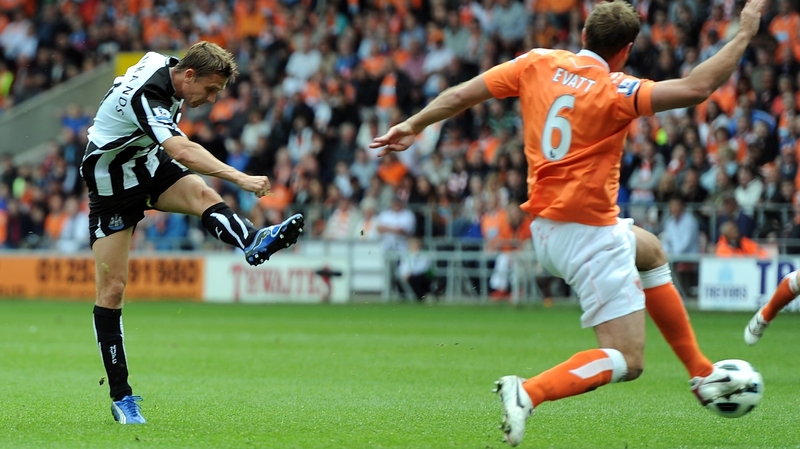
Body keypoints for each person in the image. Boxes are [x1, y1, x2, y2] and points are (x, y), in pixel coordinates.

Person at [370, 1, 765, 445]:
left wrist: (413, 123)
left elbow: (461, 95)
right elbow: (697, 87)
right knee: (629, 360)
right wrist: (746, 30)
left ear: (583, 36)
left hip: (546, 226)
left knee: (650, 248)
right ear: (626, 50)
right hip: (588, 237)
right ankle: (528, 392)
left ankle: (701, 371)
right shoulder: (616, 89)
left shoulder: (537, 62)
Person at [82, 42, 304, 425]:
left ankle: (251, 240)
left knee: (201, 193)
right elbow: (182, 150)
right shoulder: (148, 95)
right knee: (113, 289)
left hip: (147, 163)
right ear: (188, 76)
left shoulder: (166, 65)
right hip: (111, 184)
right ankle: (121, 397)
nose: (212, 98)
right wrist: (240, 177)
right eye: (211, 89)